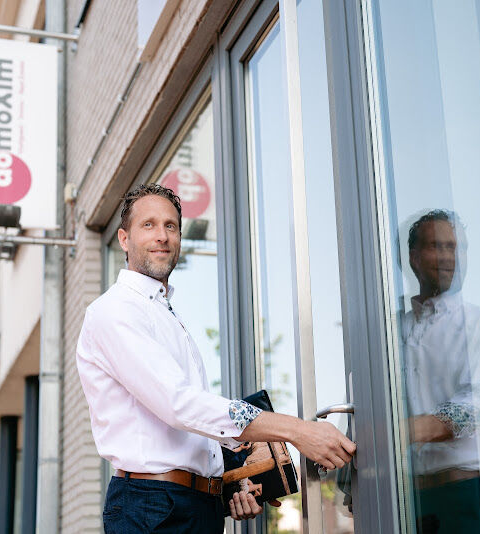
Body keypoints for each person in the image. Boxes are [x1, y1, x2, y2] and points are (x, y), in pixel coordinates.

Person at [76, 184, 355, 533]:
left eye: (171, 226)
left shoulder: (163, 312)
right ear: (123, 238)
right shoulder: (114, 311)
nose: (162, 236)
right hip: (153, 506)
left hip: (194, 505)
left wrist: (230, 484)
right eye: (148, 225)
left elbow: (188, 428)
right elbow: (179, 404)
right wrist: (299, 431)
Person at [402, 209, 480, 533]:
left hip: (464, 497)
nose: (450, 257)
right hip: (404, 500)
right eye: (438, 246)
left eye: (457, 247)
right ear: (413, 257)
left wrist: (403, 432)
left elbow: (478, 408)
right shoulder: (390, 331)